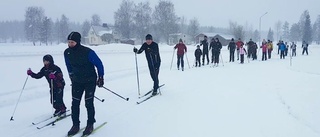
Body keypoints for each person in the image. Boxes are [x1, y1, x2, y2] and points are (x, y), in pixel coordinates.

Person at [64, 32, 104, 136]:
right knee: (75, 103)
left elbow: (99, 64)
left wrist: (101, 77)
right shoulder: (67, 52)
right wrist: (71, 75)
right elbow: (68, 65)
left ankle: (90, 124)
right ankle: (75, 125)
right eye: (68, 42)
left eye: (72, 42)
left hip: (90, 80)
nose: (70, 44)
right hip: (77, 80)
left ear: (77, 42)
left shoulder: (88, 52)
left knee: (88, 103)